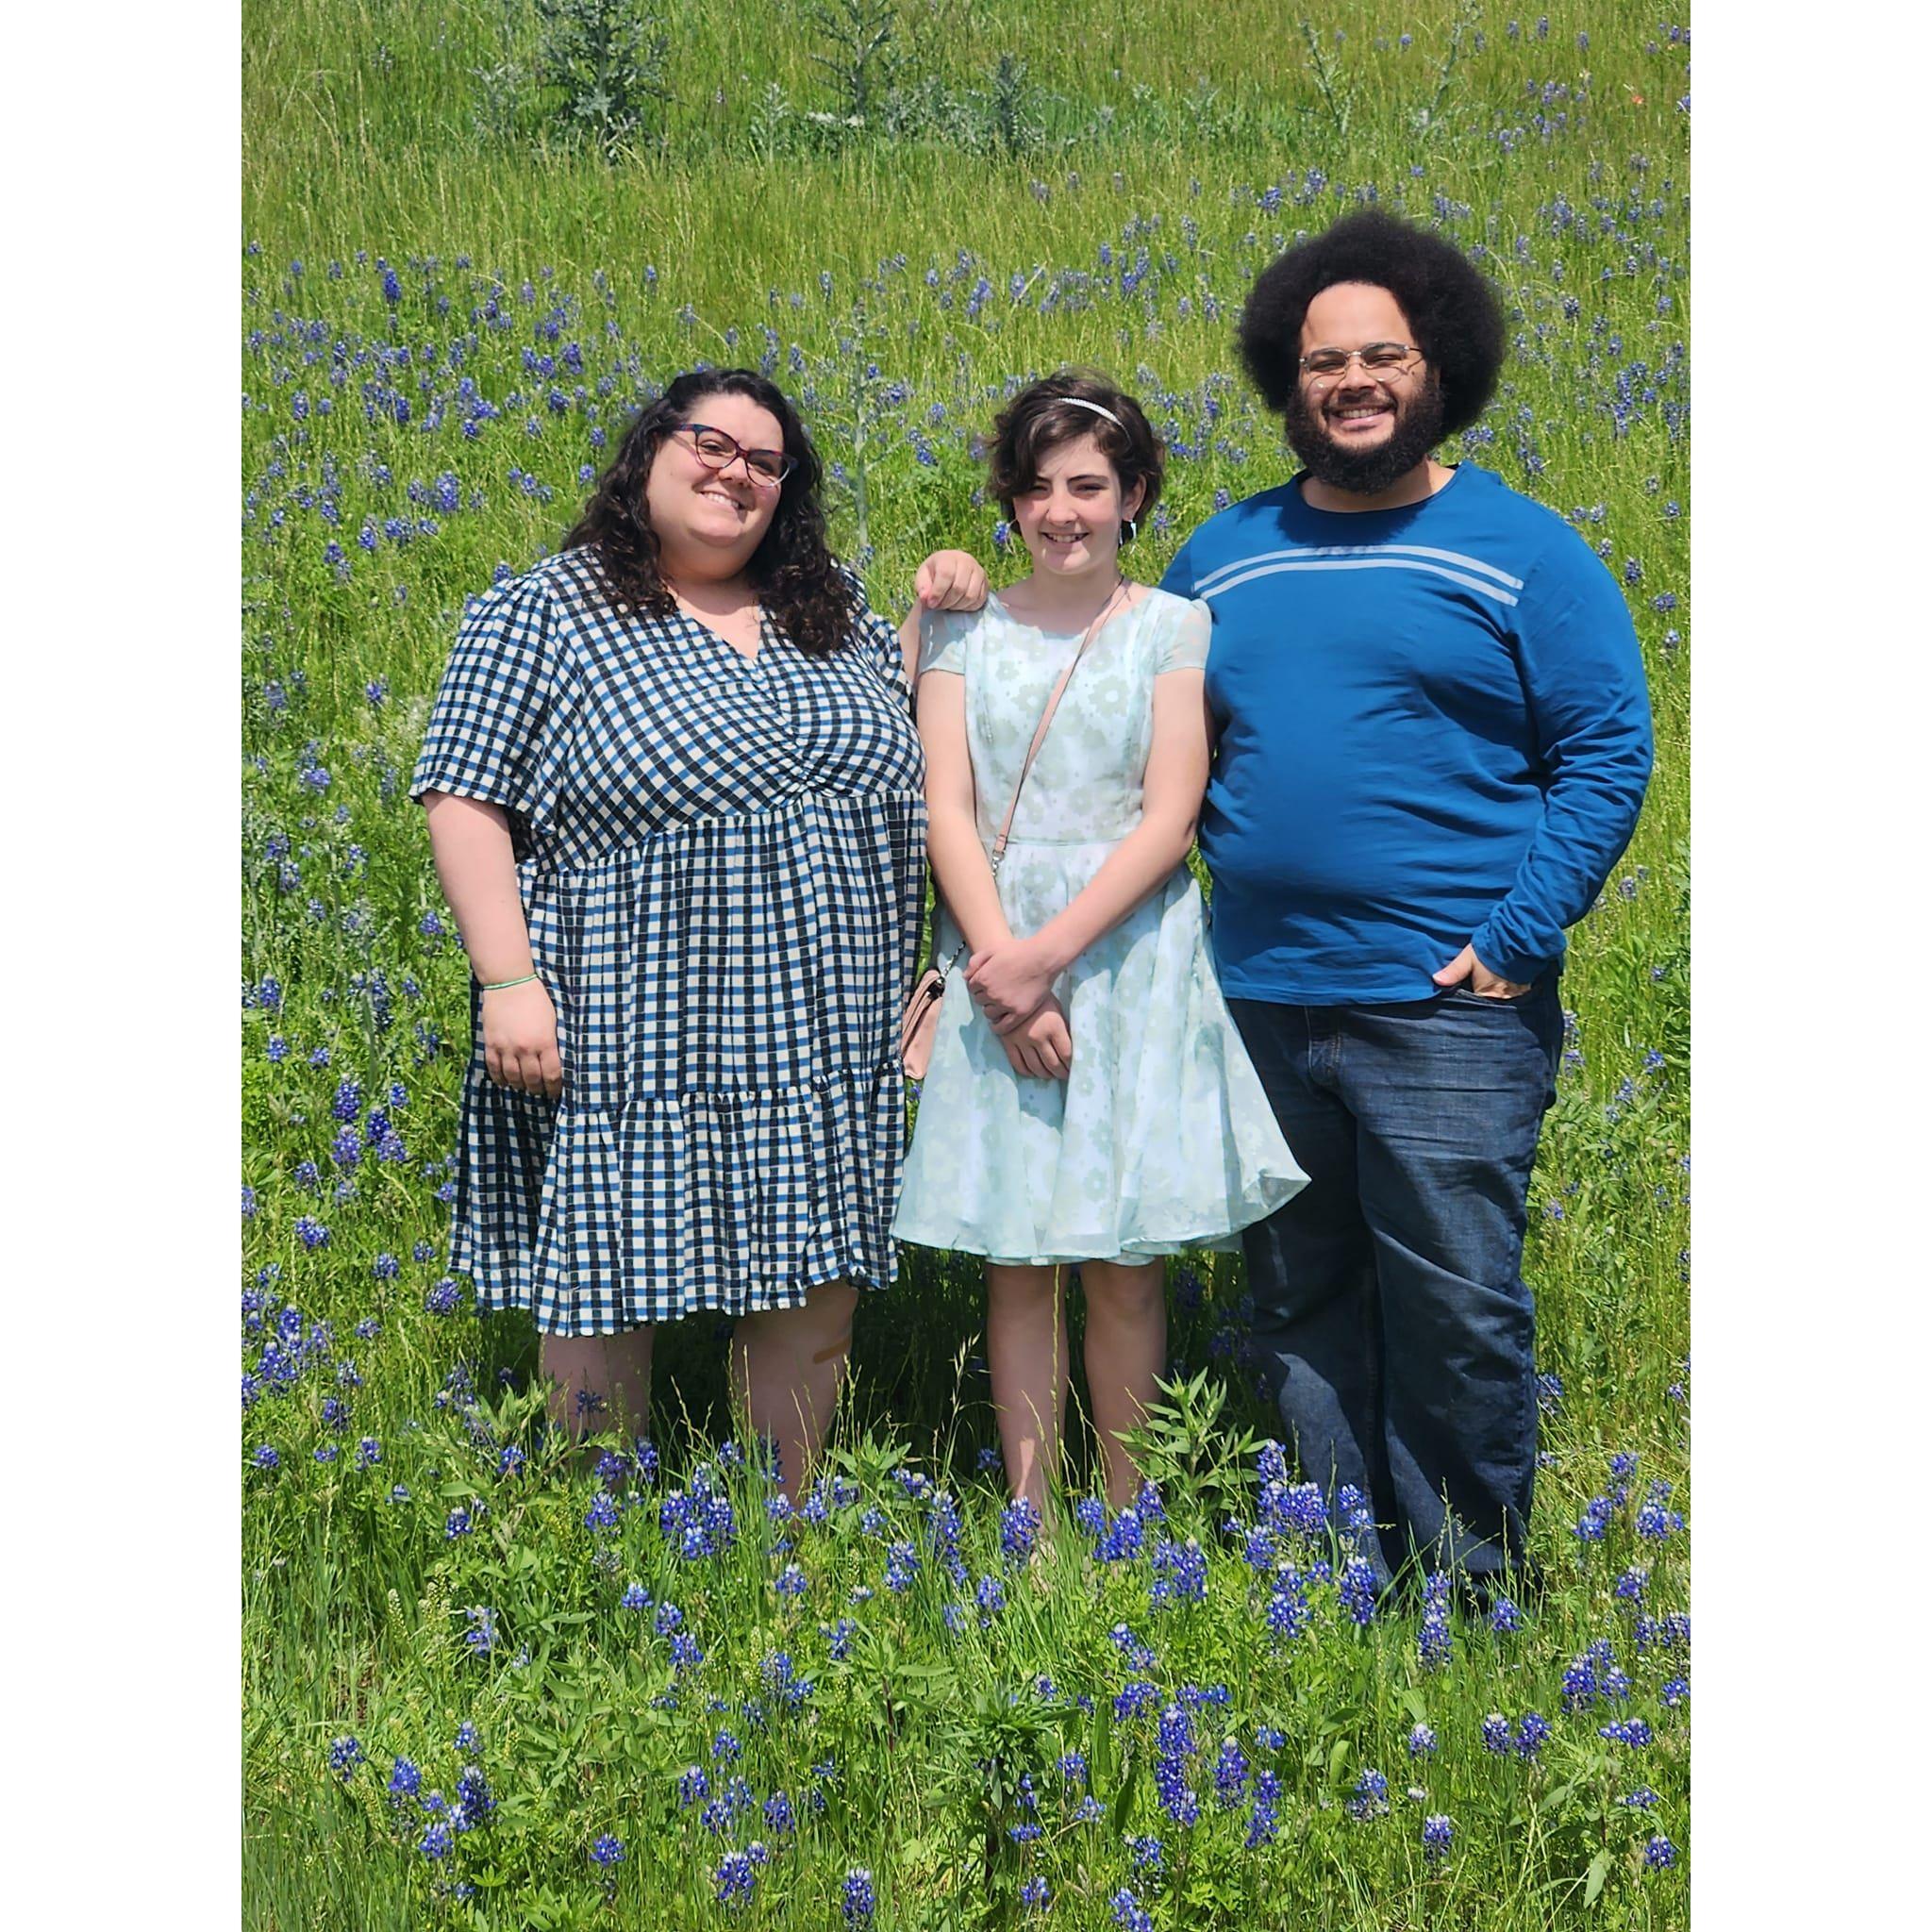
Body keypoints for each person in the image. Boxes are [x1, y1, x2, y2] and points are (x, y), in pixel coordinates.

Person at [1157, 209, 1655, 1592]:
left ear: (1441, 365)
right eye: (1324, 360)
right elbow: (1137, 750)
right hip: (1258, 992)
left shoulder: (1522, 549)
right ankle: (1337, 1569)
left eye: (1383, 354)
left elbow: (1609, 748)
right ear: (1286, 377)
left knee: (1454, 1306)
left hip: (1447, 1004)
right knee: (1298, 1299)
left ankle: (1471, 1591)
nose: (1353, 381)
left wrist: (1514, 939)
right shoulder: (1222, 553)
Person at [412, 368, 953, 1495]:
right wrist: (506, 978)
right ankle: (590, 1536)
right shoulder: (547, 609)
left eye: (765, 461)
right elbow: (462, 796)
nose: (735, 473)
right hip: (634, 1014)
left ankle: (781, 1533)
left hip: (825, 1013)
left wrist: (933, 618)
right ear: (648, 451)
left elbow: (909, 759)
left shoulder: (833, 606)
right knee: (606, 1280)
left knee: (812, 1288)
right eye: (711, 443)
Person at [891, 372, 1307, 1514]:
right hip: (992, 950)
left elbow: (1171, 815)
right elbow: (944, 806)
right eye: (1036, 487)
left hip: (1127, 956)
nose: (1060, 509)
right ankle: (1030, 1522)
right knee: (1017, 1259)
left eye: (1088, 485)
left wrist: (1043, 957)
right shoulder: (960, 625)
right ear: (1008, 503)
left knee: (1124, 1264)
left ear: (1132, 497)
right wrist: (1005, 972)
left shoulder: (1175, 626)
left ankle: (1128, 1516)